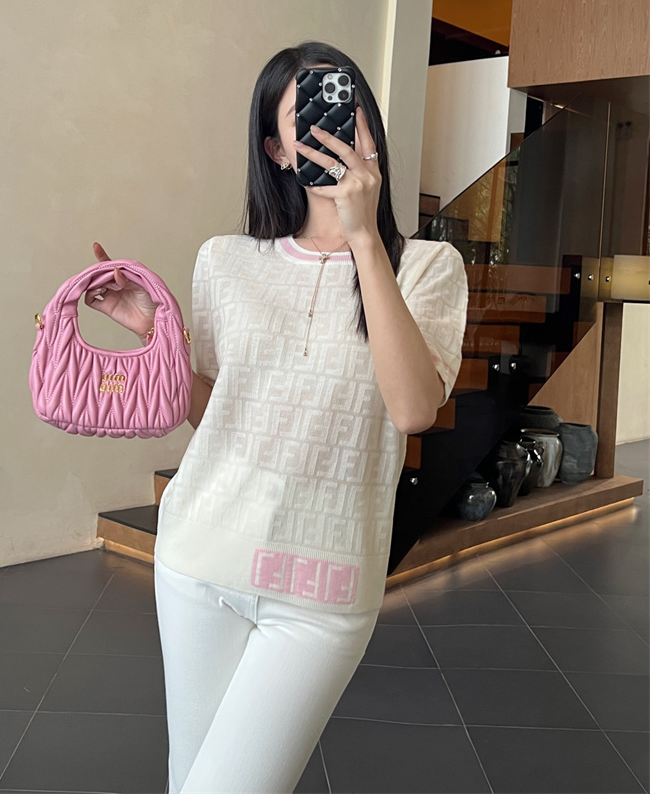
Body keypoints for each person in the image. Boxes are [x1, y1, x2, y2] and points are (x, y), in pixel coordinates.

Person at [86, 41, 469, 794]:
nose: (333, 124)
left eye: (346, 104)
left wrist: (364, 236)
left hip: (325, 588)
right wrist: (155, 338)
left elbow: (413, 408)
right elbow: (215, 413)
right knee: (189, 778)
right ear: (277, 149)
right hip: (200, 556)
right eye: (308, 115)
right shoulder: (225, 260)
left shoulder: (428, 267)